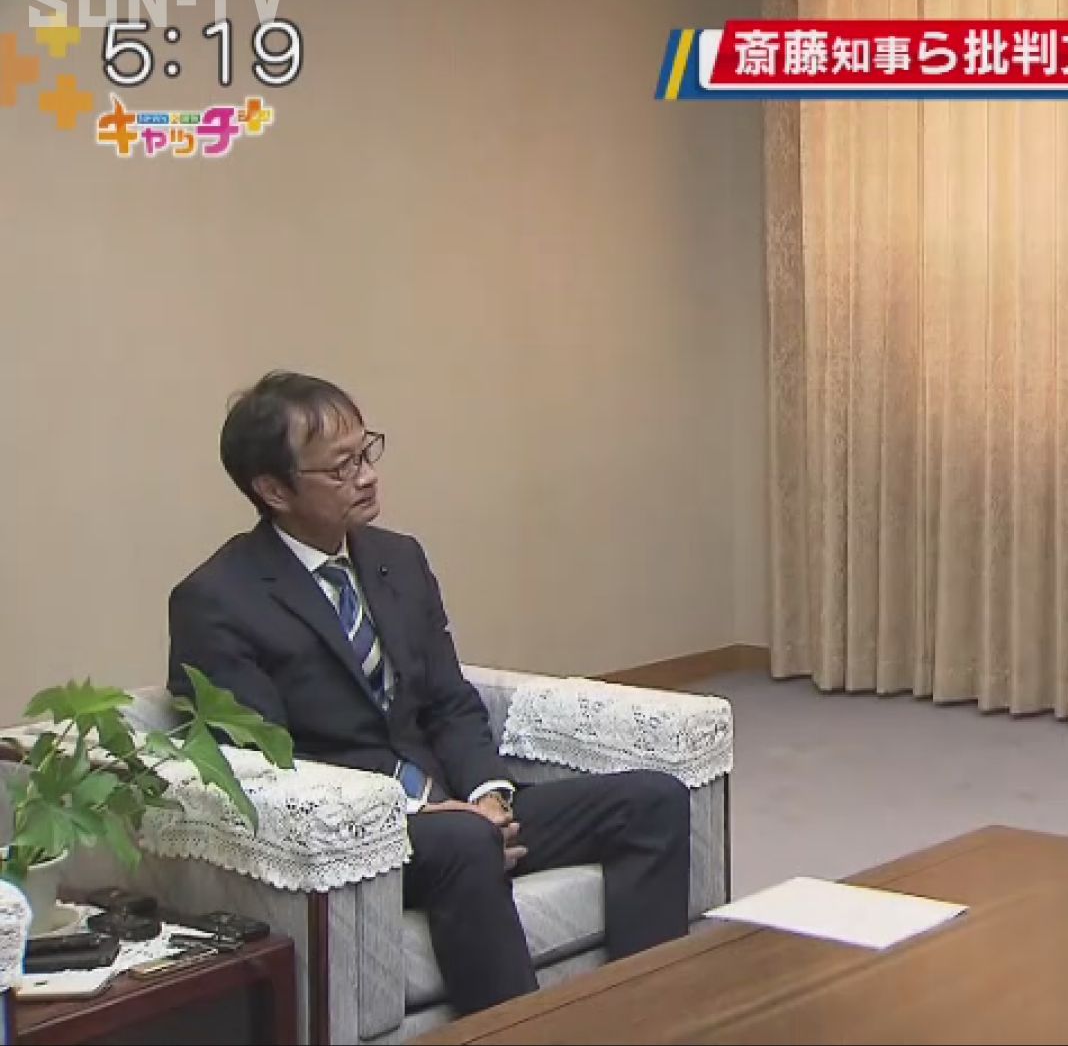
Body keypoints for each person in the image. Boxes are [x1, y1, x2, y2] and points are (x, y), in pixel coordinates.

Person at [166, 371, 691, 1015]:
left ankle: (650, 1018)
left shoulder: (398, 559)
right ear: (273, 489)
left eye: (367, 452)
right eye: (341, 467)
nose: (367, 476)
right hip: (361, 838)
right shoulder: (217, 601)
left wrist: (488, 796)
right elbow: (265, 765)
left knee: (653, 800)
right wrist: (427, 813)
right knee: (467, 843)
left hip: (457, 808)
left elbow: (448, 699)